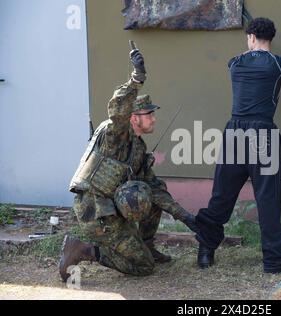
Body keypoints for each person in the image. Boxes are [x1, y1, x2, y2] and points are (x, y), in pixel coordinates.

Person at [194, 17, 281, 273]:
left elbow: (248, 56)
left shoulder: (234, 63)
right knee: (267, 199)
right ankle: (274, 260)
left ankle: (205, 251)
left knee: (222, 196)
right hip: (262, 134)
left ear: (251, 37)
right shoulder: (279, 64)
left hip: (234, 132)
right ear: (271, 37)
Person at [59, 46, 199, 281]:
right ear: (134, 118)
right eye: (149, 115)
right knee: (144, 266)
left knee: (149, 193)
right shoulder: (115, 134)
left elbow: (154, 188)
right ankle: (83, 250)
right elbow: (118, 108)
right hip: (96, 211)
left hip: (112, 206)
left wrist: (187, 218)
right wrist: (137, 77)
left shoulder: (138, 147)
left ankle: (146, 245)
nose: (154, 118)